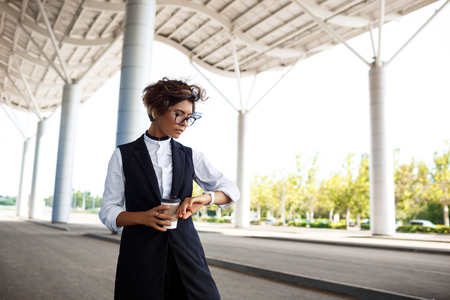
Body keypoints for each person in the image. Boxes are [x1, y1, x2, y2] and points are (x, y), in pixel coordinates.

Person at [99, 77, 240, 300]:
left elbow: (231, 190)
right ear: (157, 110)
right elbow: (108, 210)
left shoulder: (191, 155)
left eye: (189, 117)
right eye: (178, 114)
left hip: (186, 252)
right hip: (140, 256)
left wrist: (204, 199)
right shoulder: (123, 154)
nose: (184, 123)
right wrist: (142, 218)